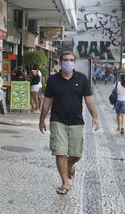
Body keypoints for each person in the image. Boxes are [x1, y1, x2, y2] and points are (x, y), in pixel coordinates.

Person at [39, 51, 100, 195]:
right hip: (57, 120)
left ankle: (70, 165)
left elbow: (89, 99)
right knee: (60, 152)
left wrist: (95, 117)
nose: (68, 62)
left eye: (71, 60)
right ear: (60, 62)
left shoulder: (82, 79)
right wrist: (42, 120)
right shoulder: (53, 80)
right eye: (65, 60)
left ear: (75, 62)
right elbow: (47, 101)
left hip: (76, 121)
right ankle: (65, 183)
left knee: (76, 154)